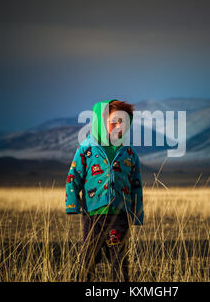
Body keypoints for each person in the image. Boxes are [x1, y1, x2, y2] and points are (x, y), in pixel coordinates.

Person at [65, 99, 144, 282]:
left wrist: (137, 213)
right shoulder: (87, 148)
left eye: (123, 121)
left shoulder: (129, 152)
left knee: (120, 261)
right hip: (93, 214)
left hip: (120, 215)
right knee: (88, 259)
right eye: (114, 121)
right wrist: (72, 204)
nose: (119, 126)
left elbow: (136, 185)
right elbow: (73, 177)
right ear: (101, 122)